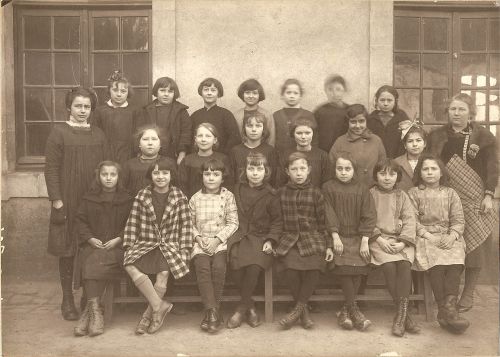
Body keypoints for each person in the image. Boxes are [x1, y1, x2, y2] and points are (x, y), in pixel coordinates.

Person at [427, 93, 498, 312]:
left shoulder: (484, 136)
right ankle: (448, 295)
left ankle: (468, 293)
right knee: (449, 242)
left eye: (461, 110)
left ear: (471, 112)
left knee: (475, 246)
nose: (456, 114)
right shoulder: (437, 135)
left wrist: (488, 195)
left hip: (475, 196)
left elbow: (492, 167)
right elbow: (429, 163)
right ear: (447, 112)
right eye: (453, 110)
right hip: (446, 196)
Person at [45, 87, 108, 321]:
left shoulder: (99, 135)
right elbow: (50, 168)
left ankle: (88, 297)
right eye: (78, 106)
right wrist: (57, 200)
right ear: (69, 107)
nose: (83, 111)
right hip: (68, 199)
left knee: (91, 247)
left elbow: (105, 168)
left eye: (87, 107)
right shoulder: (58, 132)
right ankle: (67, 299)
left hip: (92, 200)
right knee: (68, 248)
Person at [123, 160, 193, 334]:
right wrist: (129, 244)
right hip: (146, 242)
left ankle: (149, 316)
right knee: (130, 264)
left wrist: (184, 248)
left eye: (165, 173)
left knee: (163, 274)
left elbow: (186, 224)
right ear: (150, 176)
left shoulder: (179, 196)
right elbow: (133, 221)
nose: (160, 177)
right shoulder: (143, 195)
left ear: (171, 176)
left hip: (169, 245)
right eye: (156, 173)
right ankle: (159, 306)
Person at [408, 154, 469, 334]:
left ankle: (447, 310)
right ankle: (448, 310)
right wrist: (428, 236)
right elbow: (413, 220)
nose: (429, 172)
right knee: (437, 264)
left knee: (456, 261)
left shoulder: (450, 193)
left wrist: (452, 236)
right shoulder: (414, 193)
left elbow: (458, 219)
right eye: (425, 169)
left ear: (441, 172)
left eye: (434, 169)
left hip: (448, 235)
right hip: (426, 237)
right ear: (420, 173)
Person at [73, 161, 133, 337]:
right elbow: (80, 221)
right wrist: (90, 238)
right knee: (92, 259)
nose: (108, 178)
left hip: (118, 247)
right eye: (104, 174)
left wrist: (119, 239)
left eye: (112, 175)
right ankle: (95, 311)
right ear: (98, 176)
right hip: (94, 245)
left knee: (95, 262)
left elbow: (133, 223)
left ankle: (89, 313)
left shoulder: (128, 199)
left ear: (118, 177)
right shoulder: (88, 198)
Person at [275, 152, 333, 330]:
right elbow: (276, 220)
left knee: (315, 266)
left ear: (309, 170)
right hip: (289, 237)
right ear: (287, 171)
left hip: (312, 236)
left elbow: (324, 222)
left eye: (302, 169)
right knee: (290, 268)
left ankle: (297, 310)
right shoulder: (280, 193)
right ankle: (304, 312)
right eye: (294, 169)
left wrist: (329, 245)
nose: (298, 173)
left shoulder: (316, 193)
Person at [322, 151, 376, 331]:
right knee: (345, 268)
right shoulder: (328, 187)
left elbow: (368, 216)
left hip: (358, 236)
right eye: (339, 169)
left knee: (359, 267)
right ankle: (354, 311)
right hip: (336, 235)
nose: (343, 172)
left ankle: (346, 311)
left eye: (347, 169)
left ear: (354, 170)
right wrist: (335, 236)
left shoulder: (362, 189)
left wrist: (365, 240)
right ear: (334, 170)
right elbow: (328, 214)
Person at [227, 153, 282, 329]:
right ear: (245, 170)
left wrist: (271, 240)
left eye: (259, 169)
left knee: (254, 266)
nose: (255, 173)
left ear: (266, 172)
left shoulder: (272, 194)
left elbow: (277, 222)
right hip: (239, 235)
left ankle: (240, 309)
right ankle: (250, 307)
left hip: (261, 237)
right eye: (251, 168)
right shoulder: (236, 189)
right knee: (234, 262)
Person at [369, 159, 419, 337]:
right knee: (389, 266)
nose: (387, 178)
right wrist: (379, 239)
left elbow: (409, 221)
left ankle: (401, 316)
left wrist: (403, 242)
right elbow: (366, 220)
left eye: (392, 174)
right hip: (378, 240)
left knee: (404, 265)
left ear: (397, 176)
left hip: (400, 241)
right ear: (376, 175)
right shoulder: (370, 194)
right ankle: (405, 316)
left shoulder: (402, 196)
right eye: (382, 173)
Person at [190, 159, 239, 334]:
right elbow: (189, 223)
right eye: (207, 174)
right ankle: (214, 312)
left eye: (216, 174)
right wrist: (197, 237)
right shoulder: (195, 198)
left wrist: (217, 239)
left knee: (218, 268)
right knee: (202, 269)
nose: (211, 178)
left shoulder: (228, 196)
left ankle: (210, 312)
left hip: (220, 243)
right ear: (202, 176)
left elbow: (233, 223)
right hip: (200, 242)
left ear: (222, 178)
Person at [329, 104, 386, 188]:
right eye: (353, 122)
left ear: (366, 121)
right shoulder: (340, 142)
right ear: (348, 122)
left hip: (371, 189)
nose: (357, 126)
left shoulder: (376, 140)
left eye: (361, 121)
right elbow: (331, 167)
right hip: (348, 190)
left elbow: (382, 165)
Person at [137, 76, 191, 164]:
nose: (166, 94)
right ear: (156, 92)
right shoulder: (146, 111)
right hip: (150, 154)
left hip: (173, 154)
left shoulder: (181, 111)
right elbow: (140, 134)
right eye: (162, 90)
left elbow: (186, 134)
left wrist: (182, 154)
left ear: (174, 93)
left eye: (170, 91)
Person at [91, 70, 140, 165]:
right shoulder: (100, 111)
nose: (119, 94)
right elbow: (96, 134)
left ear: (128, 92)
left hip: (128, 154)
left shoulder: (135, 111)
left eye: (123, 91)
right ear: (109, 90)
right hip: (105, 154)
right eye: (115, 90)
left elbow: (138, 135)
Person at [178, 123, 233, 198]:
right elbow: (182, 186)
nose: (203, 139)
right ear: (195, 139)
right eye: (200, 136)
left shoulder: (223, 159)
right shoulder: (187, 160)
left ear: (215, 140)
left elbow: (228, 184)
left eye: (208, 136)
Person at [190, 77, 241, 154]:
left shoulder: (226, 114)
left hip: (220, 159)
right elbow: (190, 138)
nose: (209, 93)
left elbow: (234, 139)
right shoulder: (195, 115)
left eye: (213, 90)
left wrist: (223, 155)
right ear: (201, 93)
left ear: (218, 93)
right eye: (206, 90)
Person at [121, 125, 175, 197]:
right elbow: (123, 191)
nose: (150, 143)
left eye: (154, 139)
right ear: (139, 144)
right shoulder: (129, 165)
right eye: (145, 139)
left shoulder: (169, 163)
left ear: (160, 144)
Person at [277, 118, 331, 187]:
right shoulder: (285, 155)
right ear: (293, 134)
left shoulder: (322, 156)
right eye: (299, 133)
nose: (303, 137)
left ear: (313, 134)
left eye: (307, 133)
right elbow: (280, 182)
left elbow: (326, 183)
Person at [229, 113, 278, 187]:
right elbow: (232, 179)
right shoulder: (235, 151)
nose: (254, 129)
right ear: (244, 128)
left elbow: (273, 179)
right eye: (250, 126)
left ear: (263, 129)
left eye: (258, 126)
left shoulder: (270, 151)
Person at [273, 78, 317, 153]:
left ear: (301, 96)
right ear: (282, 95)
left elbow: (315, 140)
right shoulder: (276, 115)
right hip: (279, 155)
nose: (292, 96)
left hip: (302, 157)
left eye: (295, 93)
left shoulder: (308, 115)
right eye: (288, 93)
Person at [367, 85, 412, 158]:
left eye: (389, 100)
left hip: (397, 160)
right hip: (376, 160)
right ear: (376, 101)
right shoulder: (371, 119)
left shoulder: (402, 117)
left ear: (395, 101)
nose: (385, 104)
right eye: (382, 100)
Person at [233, 78, 275, 146]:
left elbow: (271, 139)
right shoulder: (236, 115)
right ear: (242, 94)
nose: (251, 96)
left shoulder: (267, 114)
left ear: (259, 95)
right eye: (247, 93)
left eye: (255, 93)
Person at [313, 74, 349, 152]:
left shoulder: (349, 110)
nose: (334, 93)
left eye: (338, 89)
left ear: (344, 90)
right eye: (330, 89)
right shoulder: (320, 111)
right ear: (325, 91)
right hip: (324, 151)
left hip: (344, 151)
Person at [394, 124, 426, 192]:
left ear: (425, 143)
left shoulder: (432, 162)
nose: (415, 144)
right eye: (410, 141)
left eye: (418, 140)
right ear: (405, 145)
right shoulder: (396, 163)